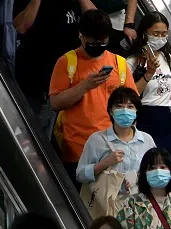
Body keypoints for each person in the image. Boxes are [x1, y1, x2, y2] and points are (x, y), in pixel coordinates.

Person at [49, 9, 137, 183]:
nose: (98, 45)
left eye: (102, 41)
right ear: (81, 36)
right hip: (77, 150)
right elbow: (56, 103)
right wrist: (85, 86)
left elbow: (133, 103)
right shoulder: (67, 62)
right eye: (92, 41)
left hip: (114, 150)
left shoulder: (119, 63)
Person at [12, 0, 95, 134]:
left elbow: (98, 26)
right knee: (20, 127)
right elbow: (21, 26)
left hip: (59, 83)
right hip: (32, 77)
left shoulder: (75, 4)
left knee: (43, 134)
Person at [76, 86, 156, 205]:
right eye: (119, 106)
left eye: (130, 107)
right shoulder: (97, 139)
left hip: (139, 207)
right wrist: (105, 163)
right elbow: (80, 175)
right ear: (111, 111)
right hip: (106, 205)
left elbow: (156, 172)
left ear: (136, 112)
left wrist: (140, 179)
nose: (125, 110)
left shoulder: (147, 140)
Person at [126, 11, 171, 162]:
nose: (160, 38)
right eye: (156, 33)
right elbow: (129, 96)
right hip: (144, 117)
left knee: (169, 164)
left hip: (166, 118)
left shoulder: (167, 58)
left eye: (164, 34)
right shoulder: (132, 61)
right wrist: (148, 74)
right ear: (144, 33)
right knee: (146, 164)